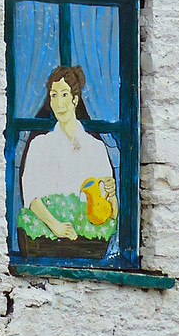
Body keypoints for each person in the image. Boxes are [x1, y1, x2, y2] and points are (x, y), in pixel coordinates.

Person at [19, 66, 116, 241]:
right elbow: (30, 195)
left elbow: (108, 213)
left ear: (75, 99)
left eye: (64, 94)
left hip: (88, 244)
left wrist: (112, 195)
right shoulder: (39, 145)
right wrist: (55, 225)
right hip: (45, 241)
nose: (59, 104)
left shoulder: (96, 148)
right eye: (53, 96)